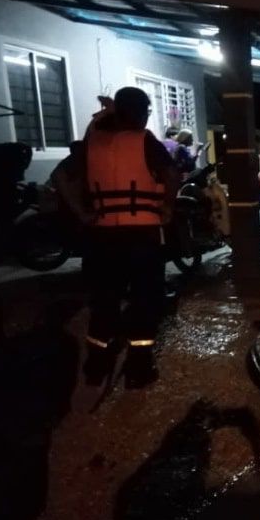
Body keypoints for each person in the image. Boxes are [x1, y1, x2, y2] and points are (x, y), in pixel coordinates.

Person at [65, 87, 180, 389]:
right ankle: (138, 369)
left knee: (104, 298)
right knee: (145, 300)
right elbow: (171, 174)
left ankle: (95, 367)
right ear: (141, 112)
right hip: (142, 234)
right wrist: (167, 206)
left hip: (103, 236)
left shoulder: (93, 142)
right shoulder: (144, 140)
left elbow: (61, 178)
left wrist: (82, 212)